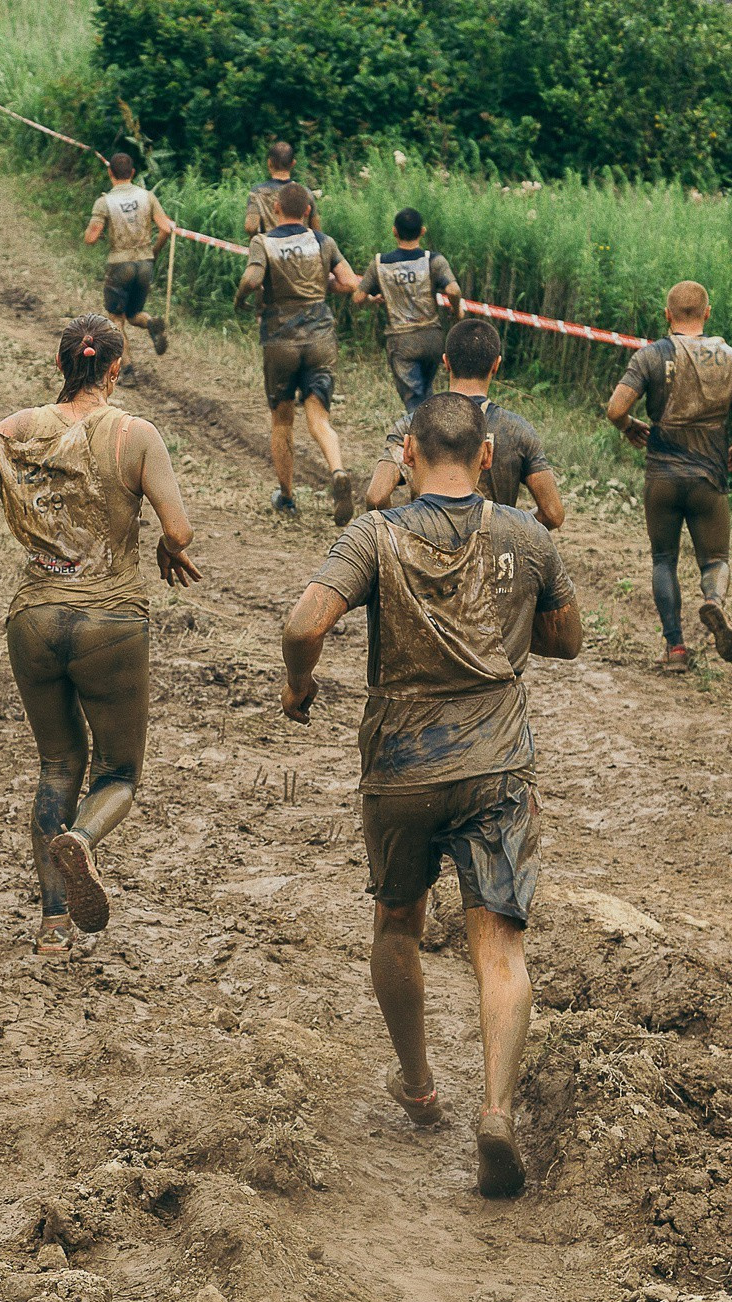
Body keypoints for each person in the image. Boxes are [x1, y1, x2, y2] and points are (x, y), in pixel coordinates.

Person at [281, 392, 582, 1199]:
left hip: (400, 767)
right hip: (496, 767)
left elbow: (305, 622)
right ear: (487, 456)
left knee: (395, 920)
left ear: (408, 452)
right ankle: (496, 1108)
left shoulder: (373, 535)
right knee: (501, 945)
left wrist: (298, 686)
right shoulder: (527, 535)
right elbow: (568, 639)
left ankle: (417, 1083)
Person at [0, 316, 201, 954]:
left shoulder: (19, 428)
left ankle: (53, 923)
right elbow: (180, 531)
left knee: (57, 763)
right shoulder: (137, 436)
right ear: (114, 368)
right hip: (111, 619)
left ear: (60, 367)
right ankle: (81, 840)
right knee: (119, 771)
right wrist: (166, 544)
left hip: (34, 621)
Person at [604, 281, 732, 672]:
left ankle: (675, 647)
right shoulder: (731, 358)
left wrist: (629, 427)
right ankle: (713, 601)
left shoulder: (651, 357)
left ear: (667, 315)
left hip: (663, 476)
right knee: (716, 558)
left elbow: (615, 409)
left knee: (663, 559)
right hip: (709, 476)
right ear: (707, 313)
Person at [234, 182, 360, 523]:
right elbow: (349, 282)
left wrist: (240, 298)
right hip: (320, 338)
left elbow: (252, 278)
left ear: (276, 208)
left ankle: (287, 497)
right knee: (319, 417)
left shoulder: (263, 242)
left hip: (280, 340)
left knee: (282, 420)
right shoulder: (324, 242)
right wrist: (322, 285)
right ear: (308, 210)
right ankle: (337, 471)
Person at [364, 319, 565, 530]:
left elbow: (376, 497)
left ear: (446, 362)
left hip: (427, 553)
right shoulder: (517, 430)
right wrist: (509, 528)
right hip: (491, 557)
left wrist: (402, 533)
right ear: (496, 365)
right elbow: (553, 514)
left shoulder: (412, 425)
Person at [352, 208, 461, 411]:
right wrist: (457, 311)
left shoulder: (380, 264)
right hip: (431, 337)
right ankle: (430, 432)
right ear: (422, 231)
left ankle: (422, 438)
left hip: (402, 341)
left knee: (413, 401)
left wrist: (372, 299)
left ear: (394, 231)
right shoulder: (434, 261)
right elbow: (453, 290)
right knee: (426, 393)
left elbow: (358, 297)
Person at [82, 152, 173, 387]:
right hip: (145, 263)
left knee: (116, 320)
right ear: (132, 173)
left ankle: (128, 370)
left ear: (110, 173)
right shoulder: (147, 196)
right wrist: (153, 252)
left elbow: (91, 238)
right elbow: (165, 228)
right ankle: (151, 323)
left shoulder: (104, 202)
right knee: (133, 315)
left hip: (120, 264)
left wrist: (96, 231)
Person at [244, 140, 320, 236]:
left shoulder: (257, 193)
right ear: (293, 163)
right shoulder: (305, 193)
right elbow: (316, 229)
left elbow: (250, 227)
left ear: (269, 163)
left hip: (269, 248)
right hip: (301, 248)